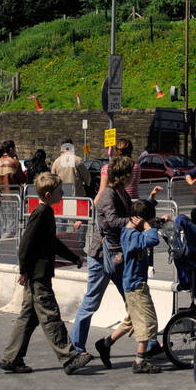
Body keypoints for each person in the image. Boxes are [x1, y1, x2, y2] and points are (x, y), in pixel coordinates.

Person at [70, 157, 161, 366]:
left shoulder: (122, 195)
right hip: (102, 256)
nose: (133, 177)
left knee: (134, 300)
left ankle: (148, 342)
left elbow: (132, 213)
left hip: (118, 256)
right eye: (131, 173)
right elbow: (110, 221)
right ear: (123, 175)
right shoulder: (108, 195)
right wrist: (134, 223)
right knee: (91, 301)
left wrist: (149, 207)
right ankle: (76, 347)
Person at [0, 172, 83, 375]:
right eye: (59, 191)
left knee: (28, 317)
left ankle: (11, 358)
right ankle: (69, 357)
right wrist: (24, 270)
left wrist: (74, 258)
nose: (62, 193)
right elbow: (25, 244)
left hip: (37, 273)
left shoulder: (46, 212)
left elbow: (52, 243)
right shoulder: (42, 213)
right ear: (48, 194)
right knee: (50, 315)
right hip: (37, 275)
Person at [94, 199, 163, 375]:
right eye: (147, 221)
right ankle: (140, 360)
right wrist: (148, 227)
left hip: (134, 283)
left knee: (132, 320)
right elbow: (154, 239)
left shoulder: (131, 232)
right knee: (148, 322)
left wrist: (156, 221)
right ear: (140, 220)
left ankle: (106, 343)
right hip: (136, 286)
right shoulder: (133, 235)